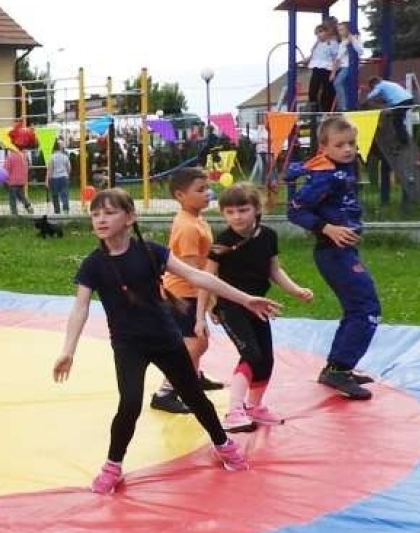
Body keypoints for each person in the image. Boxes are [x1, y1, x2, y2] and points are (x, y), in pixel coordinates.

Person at [53, 188, 278, 493]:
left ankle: (223, 444)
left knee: (194, 396)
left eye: (109, 212)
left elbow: (198, 277)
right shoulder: (94, 264)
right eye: (95, 214)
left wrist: (245, 299)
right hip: (128, 345)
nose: (101, 219)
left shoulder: (151, 252)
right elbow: (80, 307)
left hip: (166, 339)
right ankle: (113, 465)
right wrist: (68, 350)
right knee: (129, 403)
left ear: (130, 217)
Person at [204, 183, 315, 431]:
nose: (237, 217)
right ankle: (234, 410)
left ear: (257, 210)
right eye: (230, 212)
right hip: (230, 306)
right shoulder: (222, 242)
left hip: (259, 305)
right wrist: (207, 308)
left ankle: (254, 406)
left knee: (266, 359)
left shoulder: (268, 236)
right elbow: (207, 277)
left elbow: (273, 269)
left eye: (243, 210)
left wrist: (295, 289)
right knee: (251, 355)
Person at [286, 115, 383, 399]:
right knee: (367, 309)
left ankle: (338, 367)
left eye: (352, 143)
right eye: (340, 144)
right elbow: (295, 211)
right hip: (333, 254)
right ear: (324, 147)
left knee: (357, 309)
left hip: (343, 252)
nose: (348, 149)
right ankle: (338, 370)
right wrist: (327, 228)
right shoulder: (325, 175)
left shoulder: (339, 169)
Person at [150, 168, 220, 414]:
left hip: (190, 291)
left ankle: (194, 377)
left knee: (199, 341)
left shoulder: (196, 219)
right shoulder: (188, 227)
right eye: (200, 190)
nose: (207, 194)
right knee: (194, 343)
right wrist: (210, 302)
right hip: (184, 293)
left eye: (207, 188)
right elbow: (192, 272)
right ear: (180, 195)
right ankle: (166, 391)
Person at [306, 22, 340, 112]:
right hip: (316, 69)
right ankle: (315, 111)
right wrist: (307, 60)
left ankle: (326, 111)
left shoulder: (333, 43)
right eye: (317, 33)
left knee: (327, 92)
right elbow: (313, 55)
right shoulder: (318, 44)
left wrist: (333, 73)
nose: (318, 35)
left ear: (327, 32)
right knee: (312, 91)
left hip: (327, 69)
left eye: (320, 32)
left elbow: (336, 59)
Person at [1, 147, 34, 216]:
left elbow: (5, 170)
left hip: (12, 182)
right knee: (22, 196)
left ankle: (14, 213)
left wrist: (4, 180)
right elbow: (27, 168)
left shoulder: (10, 157)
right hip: (21, 181)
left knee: (12, 198)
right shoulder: (23, 156)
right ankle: (28, 206)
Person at [47, 139, 72, 215]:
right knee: (64, 194)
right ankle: (66, 209)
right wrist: (67, 175)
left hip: (54, 178)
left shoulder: (52, 157)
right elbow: (69, 168)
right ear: (61, 148)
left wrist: (49, 179)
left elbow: (50, 169)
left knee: (55, 195)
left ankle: (57, 210)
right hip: (64, 177)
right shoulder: (65, 157)